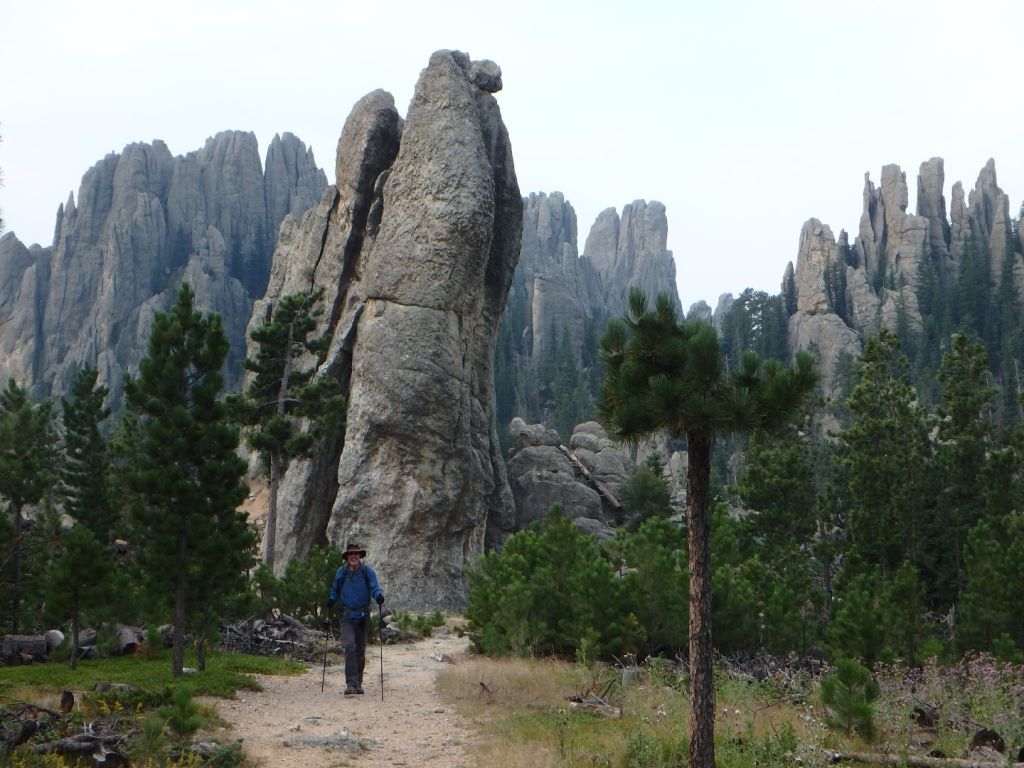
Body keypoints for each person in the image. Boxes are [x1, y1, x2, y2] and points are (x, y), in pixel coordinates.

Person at [327, 542, 384, 695]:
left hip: (363, 616)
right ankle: (351, 684)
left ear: (359, 556)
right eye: (351, 554)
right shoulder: (341, 572)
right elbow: (335, 588)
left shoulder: (367, 572)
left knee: (360, 650)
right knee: (349, 646)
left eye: (356, 554)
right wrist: (331, 599)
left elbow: (374, 586)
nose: (353, 556)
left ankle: (358, 683)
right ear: (347, 557)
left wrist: (378, 596)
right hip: (346, 616)